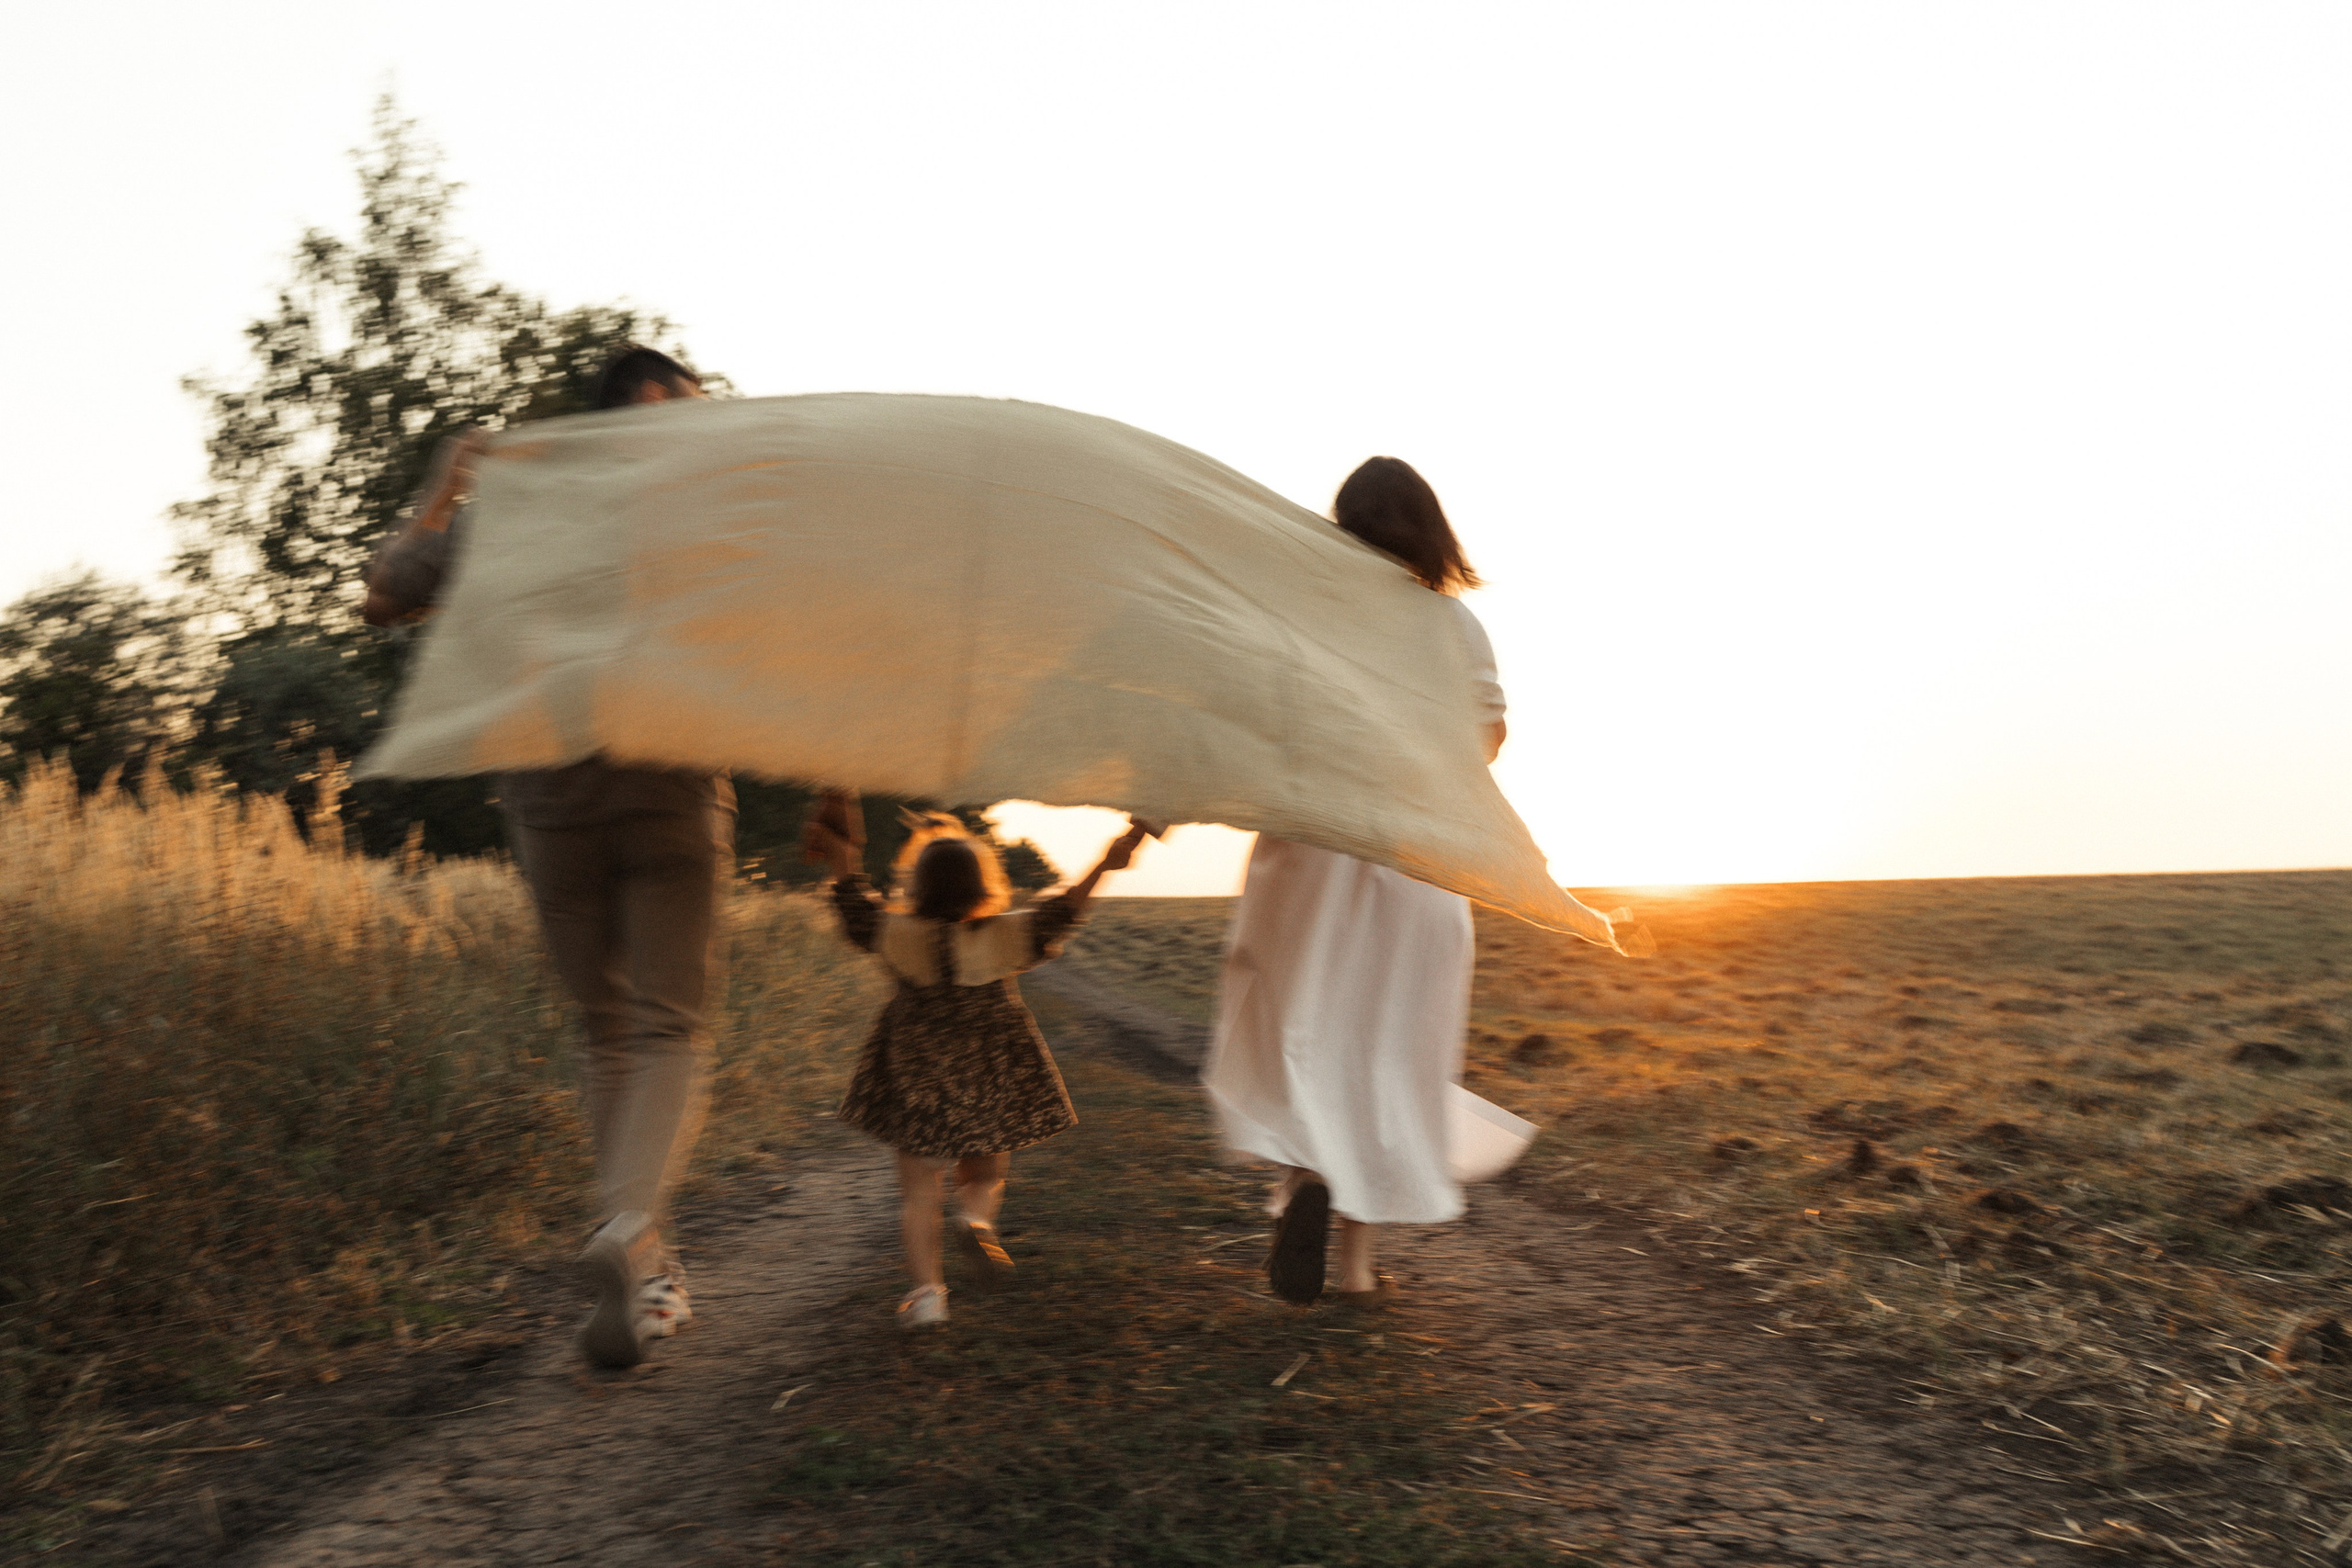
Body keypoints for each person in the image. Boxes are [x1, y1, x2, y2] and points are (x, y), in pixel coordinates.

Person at [362, 346, 735, 1369]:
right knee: (668, 1029)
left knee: (605, 1032)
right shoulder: (707, 516)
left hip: (549, 799)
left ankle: (644, 1261)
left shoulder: (515, 514)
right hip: (670, 789)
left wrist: (446, 487)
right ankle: (631, 1231)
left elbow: (384, 596)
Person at [1201, 457, 1521, 1307]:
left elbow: (1265, 729)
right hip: (1416, 861)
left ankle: (1303, 1176)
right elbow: (1487, 738)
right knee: (1385, 1048)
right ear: (1433, 531)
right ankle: (1353, 1268)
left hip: (1312, 850)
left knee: (1300, 1029)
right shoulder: (1453, 626)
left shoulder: (1306, 620)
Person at [808, 811, 1147, 1326]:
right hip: (989, 1071)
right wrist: (1107, 862)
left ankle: (928, 1296)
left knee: (919, 1192)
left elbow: (853, 901)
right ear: (983, 883)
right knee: (985, 1173)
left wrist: (840, 854)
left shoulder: (896, 931)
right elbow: (1066, 909)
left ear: (918, 885)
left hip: (916, 1074)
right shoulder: (1007, 933)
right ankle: (975, 1220)